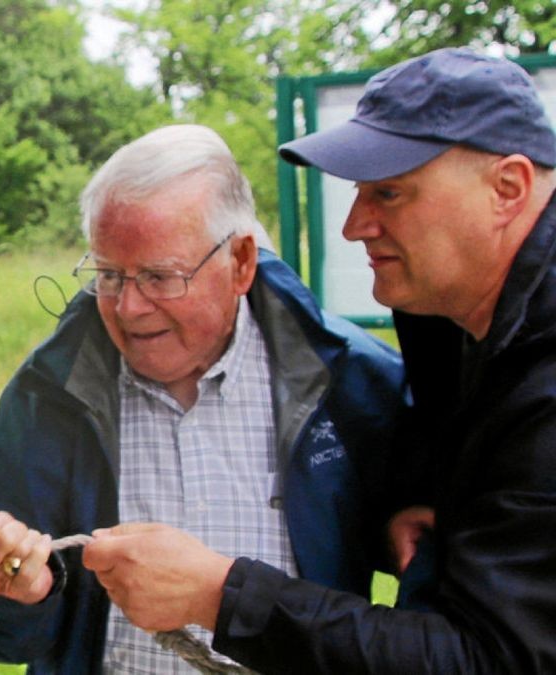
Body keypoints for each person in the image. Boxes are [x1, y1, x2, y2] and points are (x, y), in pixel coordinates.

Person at [83, 47, 556, 673]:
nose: (355, 225)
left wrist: (223, 594)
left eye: (389, 193)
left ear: (508, 188)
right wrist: (427, 492)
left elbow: (489, 659)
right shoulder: (451, 309)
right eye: (359, 193)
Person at [0, 124, 408, 673]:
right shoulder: (49, 395)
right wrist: (19, 591)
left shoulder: (351, 382)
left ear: (240, 262)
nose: (129, 308)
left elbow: (439, 607)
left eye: (159, 277)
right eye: (108, 275)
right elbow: (2, 638)